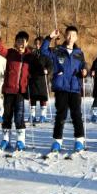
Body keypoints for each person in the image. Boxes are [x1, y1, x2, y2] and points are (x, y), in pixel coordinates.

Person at [40, 25, 88, 154]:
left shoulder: (79, 53)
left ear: (76, 37)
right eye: (68, 34)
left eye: (73, 35)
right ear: (65, 36)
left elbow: (84, 65)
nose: (70, 37)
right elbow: (43, 51)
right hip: (61, 87)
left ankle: (79, 140)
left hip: (75, 88)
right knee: (61, 115)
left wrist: (85, 71)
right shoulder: (57, 50)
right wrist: (49, 37)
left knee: (76, 115)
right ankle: (57, 141)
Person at [0, 31, 38, 152]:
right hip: (8, 90)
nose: (21, 43)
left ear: (27, 43)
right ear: (15, 42)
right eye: (18, 41)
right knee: (7, 115)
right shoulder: (10, 53)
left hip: (21, 92)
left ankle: (21, 140)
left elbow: (38, 66)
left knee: (19, 116)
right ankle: (6, 139)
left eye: (23, 41)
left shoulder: (30, 57)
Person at [28, 35, 50, 124]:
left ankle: (43, 115)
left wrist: (47, 70)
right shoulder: (31, 54)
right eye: (36, 44)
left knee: (42, 97)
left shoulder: (46, 55)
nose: (37, 46)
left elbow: (50, 65)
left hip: (42, 79)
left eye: (39, 44)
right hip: (33, 79)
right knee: (32, 97)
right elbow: (28, 65)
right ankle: (32, 115)